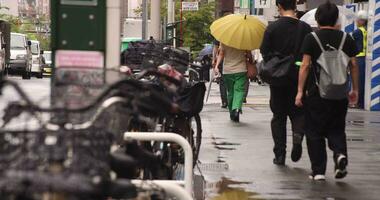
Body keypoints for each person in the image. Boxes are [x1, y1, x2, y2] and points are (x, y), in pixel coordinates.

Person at [296, 1, 359, 181]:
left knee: (314, 131)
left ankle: (319, 171)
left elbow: (305, 66)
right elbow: (353, 65)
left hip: (317, 94)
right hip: (340, 93)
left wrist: (300, 91)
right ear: (336, 19)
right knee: (337, 128)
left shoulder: (311, 38)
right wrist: (354, 89)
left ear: (317, 19)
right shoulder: (347, 38)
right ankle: (339, 154)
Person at [260, 0, 312, 165]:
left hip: (278, 77)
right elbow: (310, 53)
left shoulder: (273, 27)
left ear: (279, 7)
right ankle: (297, 136)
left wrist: (276, 61)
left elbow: (264, 51)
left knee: (278, 116)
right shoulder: (305, 28)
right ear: (295, 7)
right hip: (299, 77)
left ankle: (280, 154)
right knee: (298, 113)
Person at [215, 43, 256, 122]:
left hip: (227, 71)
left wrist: (217, 65)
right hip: (241, 70)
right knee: (239, 90)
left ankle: (232, 112)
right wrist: (248, 57)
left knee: (230, 92)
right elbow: (249, 56)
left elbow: (221, 54)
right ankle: (236, 108)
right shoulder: (244, 41)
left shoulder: (225, 41)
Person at [352, 10, 368, 109]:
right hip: (364, 57)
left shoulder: (357, 31)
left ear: (362, 21)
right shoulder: (365, 30)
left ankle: (357, 102)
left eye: (358, 20)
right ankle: (360, 102)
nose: (356, 22)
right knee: (362, 81)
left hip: (358, 57)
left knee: (357, 82)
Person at [213, 40, 228, 108]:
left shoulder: (220, 34)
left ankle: (224, 101)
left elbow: (215, 48)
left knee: (222, 81)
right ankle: (232, 100)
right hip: (235, 61)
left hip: (222, 60)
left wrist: (214, 60)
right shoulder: (237, 33)